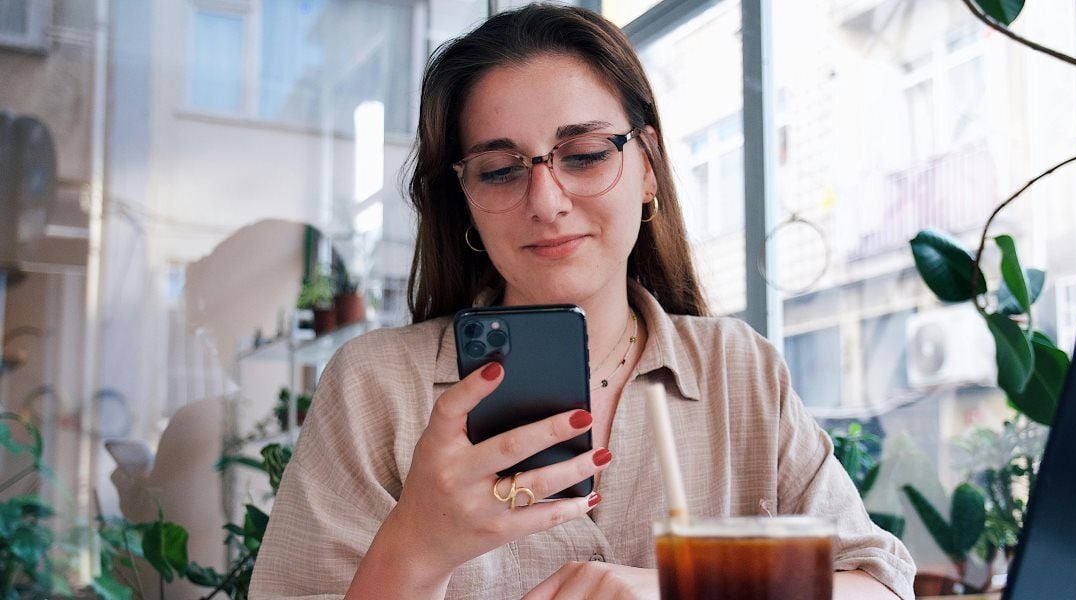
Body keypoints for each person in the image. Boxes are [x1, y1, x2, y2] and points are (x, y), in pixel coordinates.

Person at [249, 4, 915, 599]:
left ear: (647, 165)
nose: (545, 202)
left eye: (587, 154)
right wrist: (416, 547)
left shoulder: (736, 368)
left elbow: (879, 585)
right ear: (466, 202)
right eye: (501, 170)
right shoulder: (376, 388)